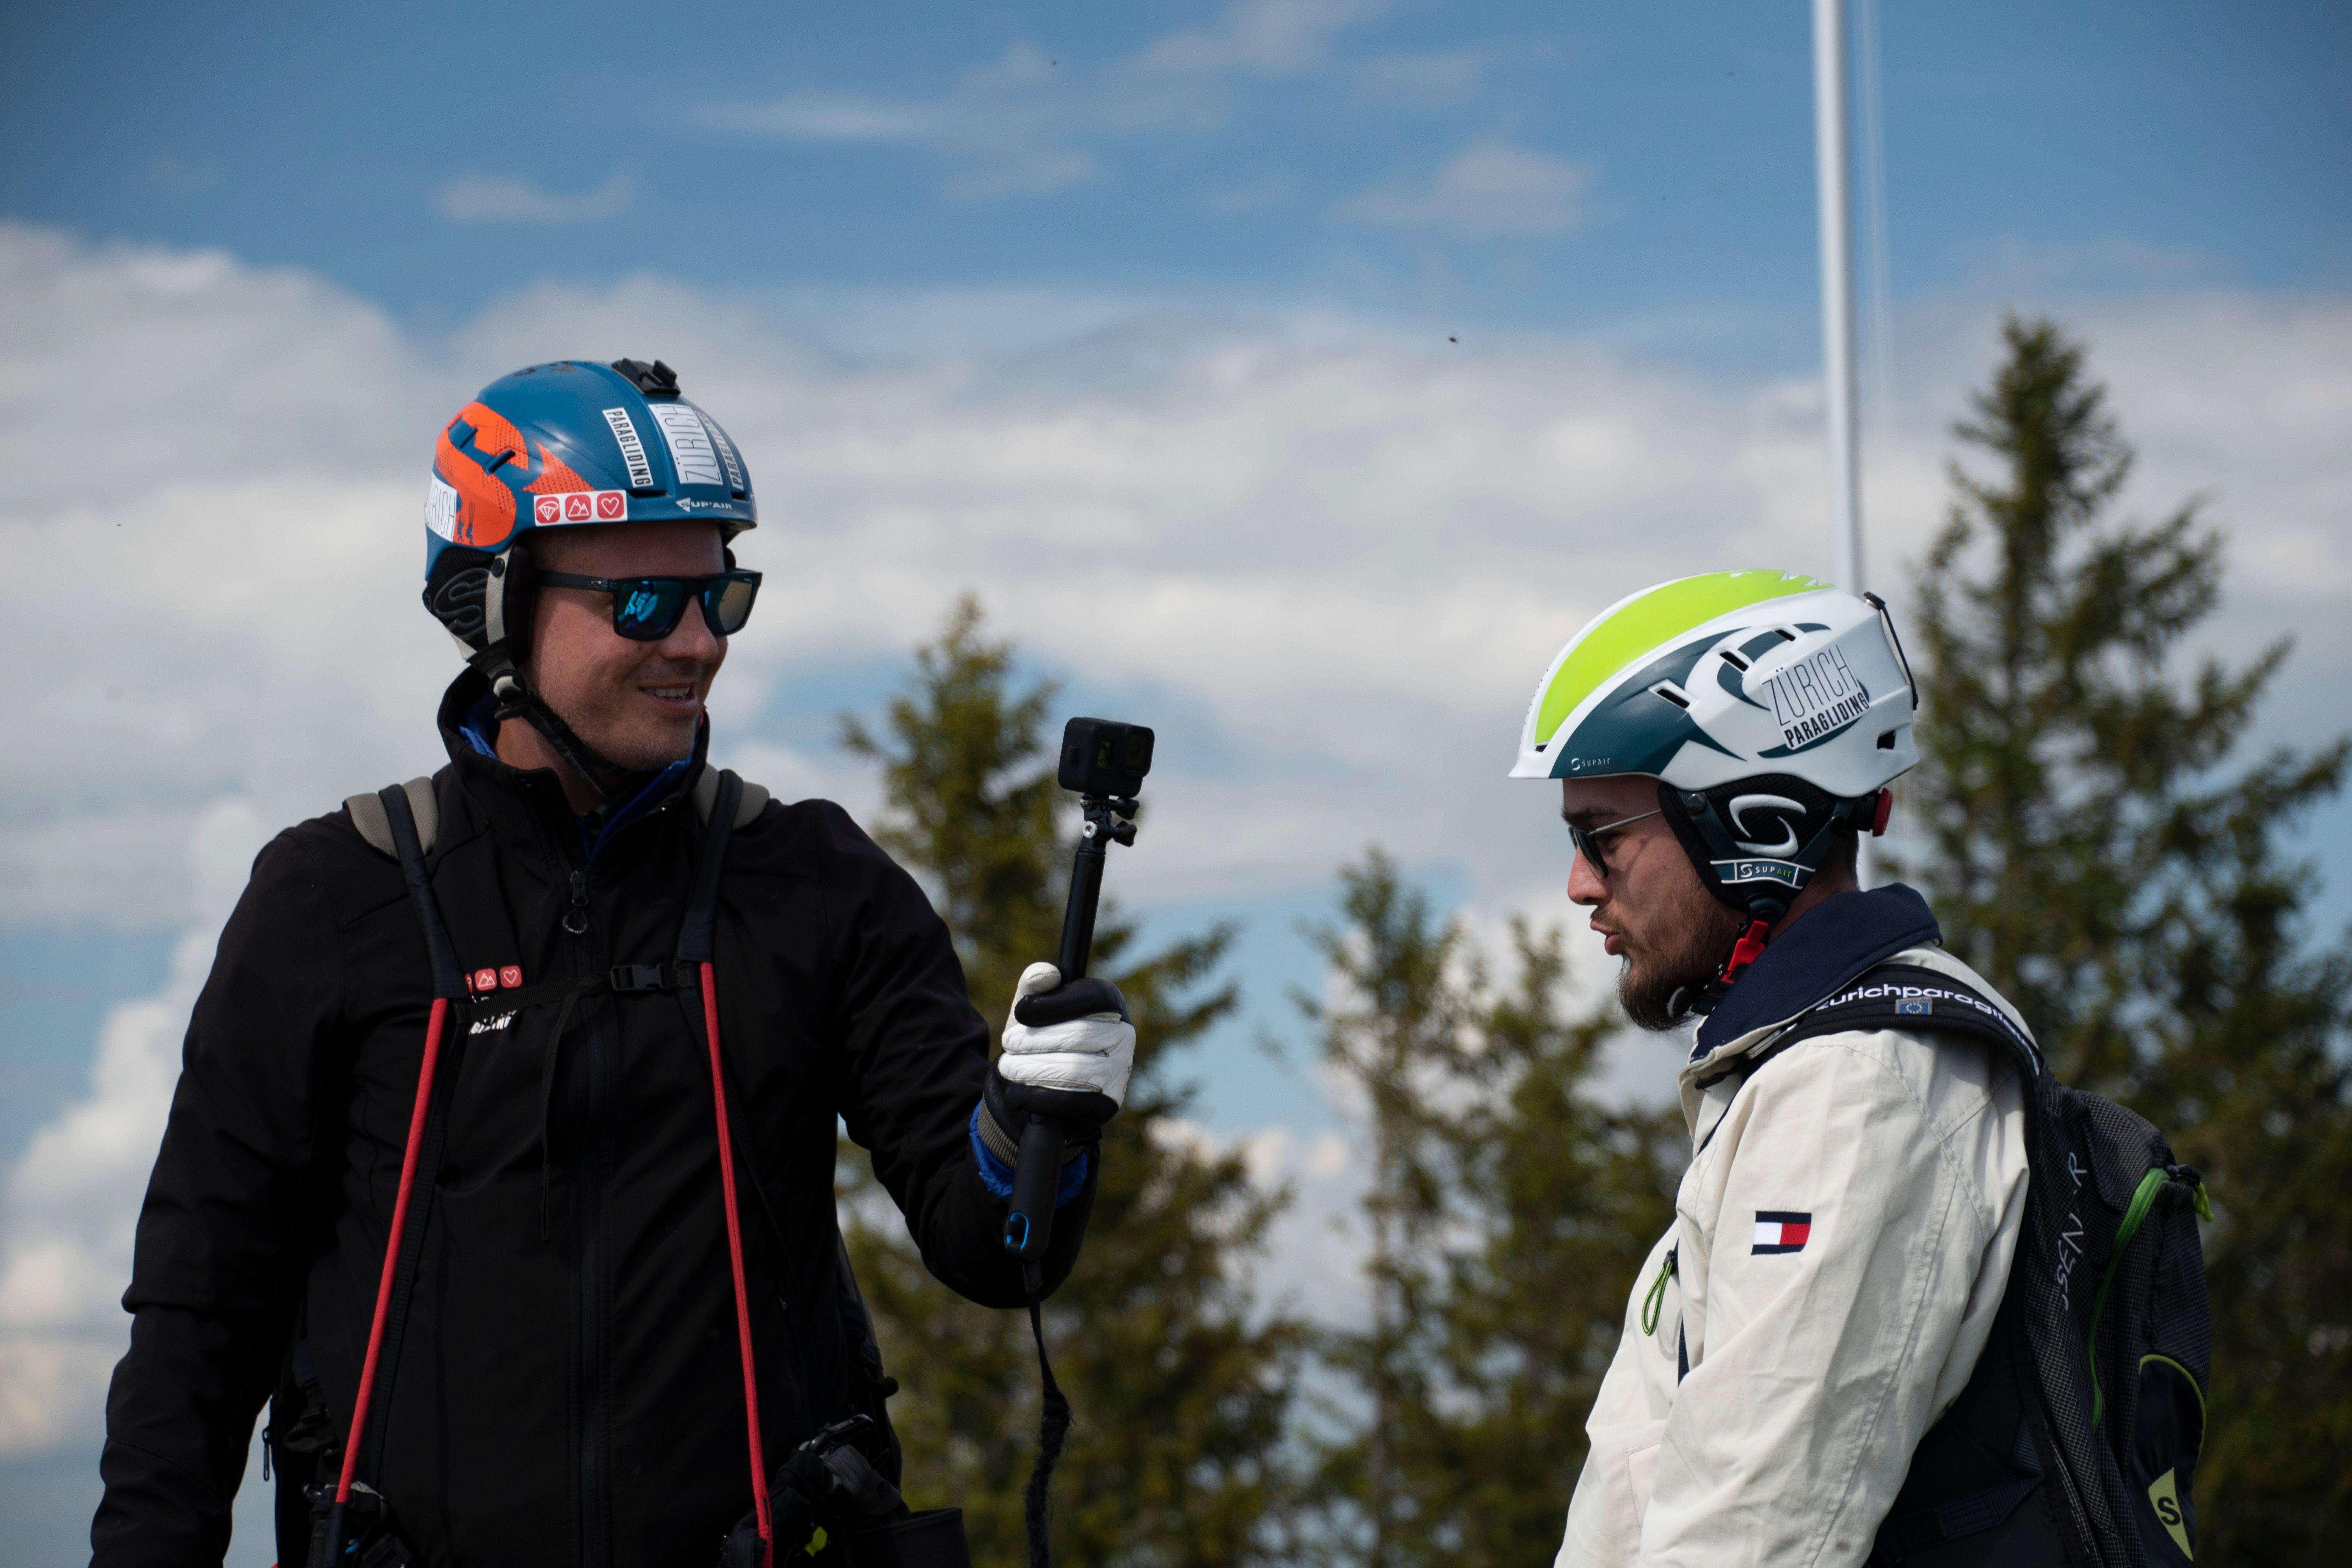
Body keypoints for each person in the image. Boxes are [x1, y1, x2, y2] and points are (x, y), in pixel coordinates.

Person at [92, 358, 1133, 1568]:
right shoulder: (332, 897)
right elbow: (199, 1319)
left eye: (722, 597)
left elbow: (993, 1249)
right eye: (644, 602)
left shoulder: (814, 881)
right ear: (496, 603)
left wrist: (1036, 1123)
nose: (699, 644)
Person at [1512, 571, 2033, 1566]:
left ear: (1752, 819)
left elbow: (1753, 1532)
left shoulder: (1856, 1089)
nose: (1580, 883)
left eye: (1602, 836)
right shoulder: (1798, 1066)